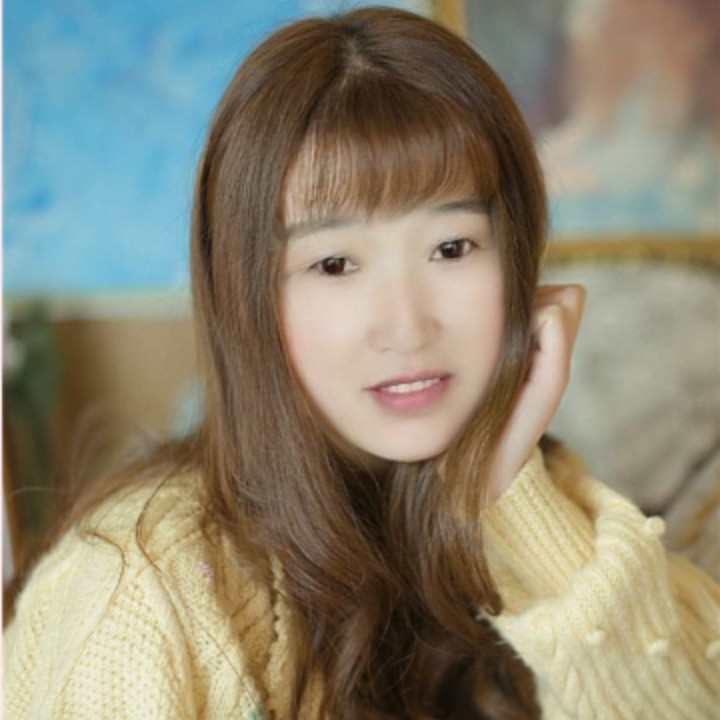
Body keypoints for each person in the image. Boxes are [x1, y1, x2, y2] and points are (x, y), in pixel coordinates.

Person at [4, 7, 719, 719]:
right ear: (244, 294)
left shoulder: (548, 494)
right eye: (335, 264)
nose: (406, 327)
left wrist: (505, 493)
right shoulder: (138, 591)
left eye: (451, 248)